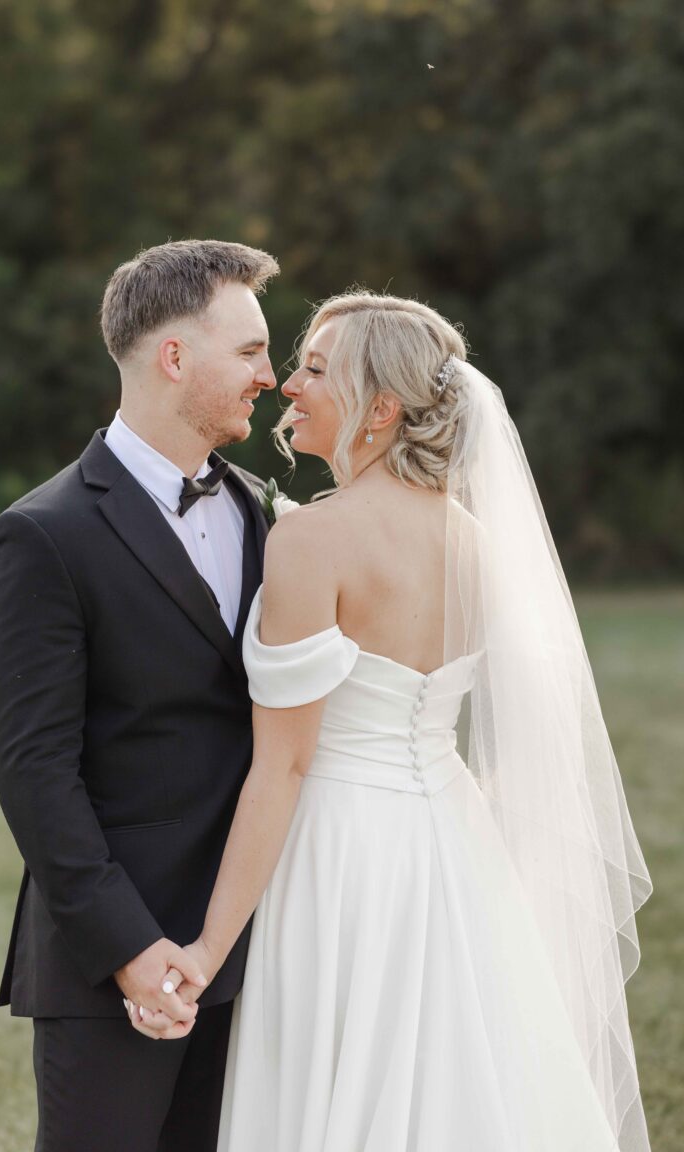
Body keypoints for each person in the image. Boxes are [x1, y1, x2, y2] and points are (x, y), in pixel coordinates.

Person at [129, 291, 653, 1152]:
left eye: (315, 370)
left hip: (342, 856)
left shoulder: (311, 543)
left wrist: (206, 950)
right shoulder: (476, 544)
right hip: (453, 845)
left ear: (381, 408)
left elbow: (284, 767)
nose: (287, 384)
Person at [0, 238, 279, 1152]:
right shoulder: (45, 533)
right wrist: (130, 950)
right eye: (252, 351)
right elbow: (34, 771)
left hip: (252, 946)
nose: (271, 375)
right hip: (115, 957)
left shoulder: (261, 508)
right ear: (174, 357)